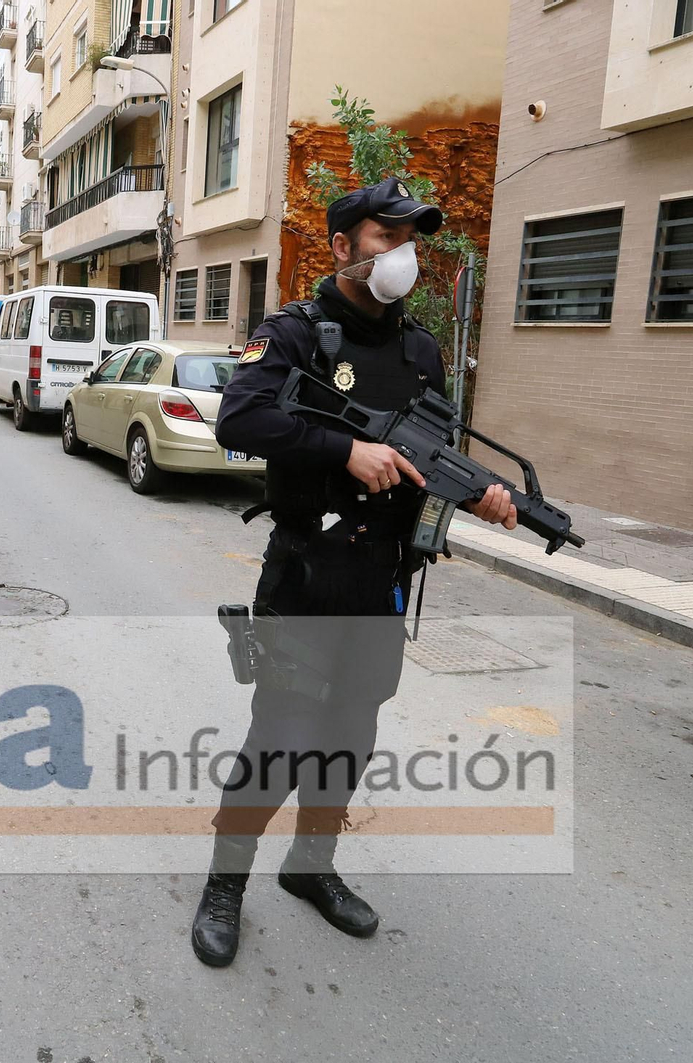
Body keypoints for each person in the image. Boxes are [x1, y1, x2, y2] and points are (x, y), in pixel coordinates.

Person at [190, 176, 517, 968]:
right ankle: (225, 884)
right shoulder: (296, 333)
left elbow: (428, 453)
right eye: (385, 235)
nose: (403, 253)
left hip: (380, 583)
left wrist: (481, 496)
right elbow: (239, 417)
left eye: (411, 240)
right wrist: (346, 449)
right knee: (280, 739)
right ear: (342, 247)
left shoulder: (420, 350)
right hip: (306, 574)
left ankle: (312, 867)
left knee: (349, 736)